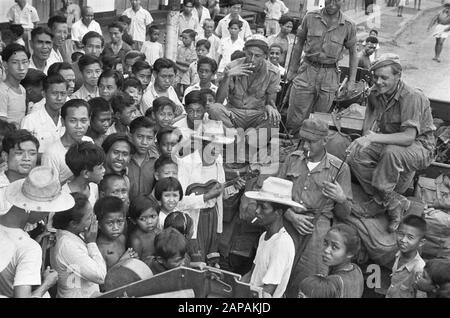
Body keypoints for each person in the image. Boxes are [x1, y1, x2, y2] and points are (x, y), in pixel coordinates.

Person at [347, 54, 435, 232]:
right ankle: (393, 200)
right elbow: (370, 115)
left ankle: (379, 201)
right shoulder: (375, 93)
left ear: (398, 76)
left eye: (384, 77)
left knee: (391, 152)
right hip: (391, 143)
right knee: (354, 154)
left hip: (420, 147)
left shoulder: (412, 96)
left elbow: (408, 137)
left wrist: (373, 138)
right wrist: (365, 138)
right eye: (376, 76)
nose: (378, 82)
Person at [277, 118, 352, 297]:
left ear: (325, 141)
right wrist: (290, 215)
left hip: (318, 230)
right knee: (276, 274)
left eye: (311, 141)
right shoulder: (292, 159)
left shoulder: (340, 169)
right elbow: (275, 196)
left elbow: (345, 214)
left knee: (309, 282)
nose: (305, 146)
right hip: (287, 221)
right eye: (303, 140)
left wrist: (341, 199)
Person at [0, 166, 74, 298]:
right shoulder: (29, 249)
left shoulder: (25, 244)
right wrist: (47, 283)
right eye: (48, 209)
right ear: (32, 207)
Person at [286, 0, 358, 135]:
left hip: (329, 75)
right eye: (328, 0)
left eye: (336, 1)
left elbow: (354, 53)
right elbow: (299, 44)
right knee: (297, 112)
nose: (331, 4)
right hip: (307, 70)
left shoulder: (348, 25)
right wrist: (292, 70)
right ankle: (292, 143)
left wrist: (352, 81)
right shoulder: (310, 17)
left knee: (321, 116)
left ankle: (310, 147)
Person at [177, 120, 243, 266]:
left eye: (220, 146)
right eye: (212, 145)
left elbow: (219, 195)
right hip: (192, 221)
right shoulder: (187, 164)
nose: (216, 150)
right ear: (201, 144)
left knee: (210, 262)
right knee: (194, 262)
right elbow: (178, 201)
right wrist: (205, 197)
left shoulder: (218, 161)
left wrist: (234, 188)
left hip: (212, 220)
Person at [208, 38, 281, 148]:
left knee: (274, 118)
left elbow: (270, 101)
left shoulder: (273, 72)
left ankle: (243, 141)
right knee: (214, 109)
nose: (252, 59)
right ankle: (237, 139)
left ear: (265, 56)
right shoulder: (232, 66)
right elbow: (219, 101)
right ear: (244, 51)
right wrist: (227, 76)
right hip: (233, 113)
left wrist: (270, 107)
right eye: (249, 54)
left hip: (257, 113)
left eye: (257, 56)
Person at [241, 177, 297, 298]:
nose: (257, 211)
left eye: (263, 207)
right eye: (257, 206)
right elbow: (252, 274)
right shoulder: (264, 237)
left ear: (279, 213)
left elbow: (267, 291)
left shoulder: (282, 243)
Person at [50, 192, 106, 298]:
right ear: (73, 224)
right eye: (89, 217)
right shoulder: (67, 245)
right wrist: (92, 243)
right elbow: (100, 276)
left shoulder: (76, 234)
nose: (94, 219)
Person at [41, 99, 93, 184]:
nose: (79, 126)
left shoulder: (89, 142)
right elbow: (49, 188)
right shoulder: (51, 154)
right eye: (73, 121)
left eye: (83, 121)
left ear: (89, 121)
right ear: (63, 121)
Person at [21, 74, 68, 157]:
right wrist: (54, 157)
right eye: (54, 93)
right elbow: (25, 153)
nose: (59, 98)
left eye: (63, 94)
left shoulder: (69, 120)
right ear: (44, 93)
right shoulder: (30, 120)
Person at [386, 215, 427, 298]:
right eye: (401, 234)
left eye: (410, 237)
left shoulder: (419, 269)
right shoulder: (399, 253)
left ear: (421, 242)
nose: (403, 240)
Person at [0, 130, 39, 217]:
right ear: (5, 156)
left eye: (32, 153)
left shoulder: (40, 186)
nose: (27, 158)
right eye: (19, 153)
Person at [322, 224, 364, 298]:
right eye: (325, 243)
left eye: (334, 247)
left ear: (350, 253)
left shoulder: (333, 282)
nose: (326, 250)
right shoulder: (356, 269)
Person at [94, 196, 136, 270]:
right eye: (110, 223)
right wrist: (123, 261)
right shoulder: (100, 249)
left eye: (120, 222)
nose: (116, 228)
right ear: (99, 224)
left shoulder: (122, 238)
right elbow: (102, 276)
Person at [63, 141, 106, 207]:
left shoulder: (93, 186)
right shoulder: (63, 196)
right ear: (86, 173)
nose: (104, 170)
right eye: (100, 168)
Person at [128, 116, 158, 200]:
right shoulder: (123, 160)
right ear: (130, 136)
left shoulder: (156, 161)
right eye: (140, 136)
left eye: (149, 138)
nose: (144, 142)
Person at [0, 44, 29, 126]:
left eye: (24, 62)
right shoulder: (2, 91)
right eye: (15, 62)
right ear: (5, 65)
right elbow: (2, 127)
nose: (21, 67)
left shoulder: (22, 89)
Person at [129, 195, 161, 261]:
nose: (149, 222)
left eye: (152, 216)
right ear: (133, 220)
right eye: (143, 219)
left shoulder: (158, 232)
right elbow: (136, 264)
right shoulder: (136, 241)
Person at [175, 29, 198, 96]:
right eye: (182, 38)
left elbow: (190, 64)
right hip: (178, 71)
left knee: (187, 89)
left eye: (186, 38)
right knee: (176, 86)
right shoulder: (180, 48)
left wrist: (175, 62)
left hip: (188, 72)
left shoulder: (194, 50)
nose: (183, 40)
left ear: (192, 39)